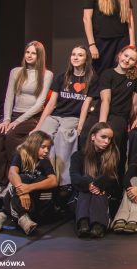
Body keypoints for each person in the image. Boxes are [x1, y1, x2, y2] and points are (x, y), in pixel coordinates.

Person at [0, 41, 53, 199]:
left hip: (31, 117)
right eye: (27, 52)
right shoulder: (16, 72)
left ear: (40, 56)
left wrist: (16, 122)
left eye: (33, 53)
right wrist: (7, 119)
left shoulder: (46, 74)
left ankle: (12, 179)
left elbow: (39, 104)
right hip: (14, 115)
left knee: (12, 135)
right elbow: (9, 97)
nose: (29, 55)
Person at [34, 45, 98, 187]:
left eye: (80, 55)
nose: (75, 57)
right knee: (44, 136)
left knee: (63, 136)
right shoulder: (62, 77)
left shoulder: (92, 79)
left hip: (73, 117)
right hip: (56, 116)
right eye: (73, 54)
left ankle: (63, 182)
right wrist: (38, 126)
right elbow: (51, 104)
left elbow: (85, 105)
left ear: (86, 59)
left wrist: (80, 127)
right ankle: (46, 175)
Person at [79, 45, 137, 166]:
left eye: (132, 59)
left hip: (119, 116)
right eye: (126, 56)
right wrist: (102, 124)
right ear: (120, 55)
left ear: (135, 63)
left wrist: (131, 121)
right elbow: (105, 100)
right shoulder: (107, 74)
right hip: (101, 112)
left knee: (112, 137)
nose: (127, 60)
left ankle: (109, 170)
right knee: (86, 134)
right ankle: (87, 169)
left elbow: (134, 103)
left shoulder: (136, 77)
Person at [0, 131, 57, 235]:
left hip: (37, 202)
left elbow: (53, 181)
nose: (46, 151)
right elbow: (12, 173)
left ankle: (3, 214)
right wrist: (23, 192)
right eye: (43, 147)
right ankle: (23, 217)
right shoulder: (20, 155)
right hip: (23, 199)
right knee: (20, 179)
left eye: (48, 148)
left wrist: (29, 188)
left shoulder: (44, 161)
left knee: (39, 179)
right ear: (34, 145)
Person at [83, 0, 135, 75]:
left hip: (122, 40)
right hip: (102, 40)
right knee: (100, 73)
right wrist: (92, 44)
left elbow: (130, 18)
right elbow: (86, 19)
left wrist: (132, 43)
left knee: (122, 73)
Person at [70, 123, 120, 238]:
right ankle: (83, 222)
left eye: (109, 139)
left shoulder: (113, 155)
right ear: (93, 137)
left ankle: (98, 224)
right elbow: (74, 177)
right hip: (80, 197)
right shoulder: (78, 155)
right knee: (86, 182)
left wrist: (97, 185)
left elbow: (112, 177)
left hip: (104, 196)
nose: (107, 142)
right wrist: (89, 184)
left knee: (98, 187)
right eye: (103, 137)